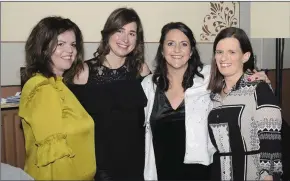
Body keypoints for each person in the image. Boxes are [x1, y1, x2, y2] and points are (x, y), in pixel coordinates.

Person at [141, 22, 272, 180]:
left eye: (184, 44)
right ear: (162, 50)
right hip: (161, 172)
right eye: (170, 44)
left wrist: (259, 79)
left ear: (191, 52)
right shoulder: (149, 85)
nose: (177, 50)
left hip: (201, 172)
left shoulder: (209, 77)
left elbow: (238, 77)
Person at [68, 8, 150, 180]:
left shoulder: (141, 70)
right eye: (119, 31)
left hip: (137, 164)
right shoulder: (83, 72)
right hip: (100, 167)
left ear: (137, 39)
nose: (125, 39)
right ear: (108, 33)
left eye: (132, 33)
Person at [18, 16, 96, 180]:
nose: (70, 50)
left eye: (73, 44)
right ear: (43, 48)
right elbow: (55, 158)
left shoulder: (59, 85)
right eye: (60, 44)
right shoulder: (42, 88)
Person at [207, 27, 283, 181]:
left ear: (245, 56)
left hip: (252, 174)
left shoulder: (259, 89)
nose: (223, 58)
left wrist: (268, 176)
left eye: (232, 52)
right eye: (219, 52)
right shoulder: (213, 94)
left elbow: (271, 140)